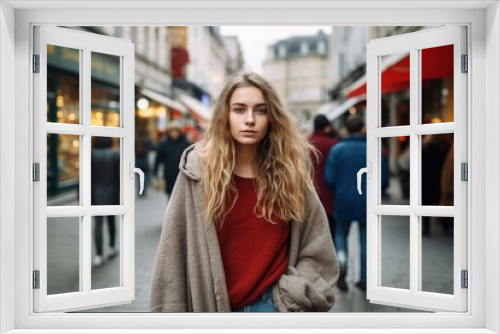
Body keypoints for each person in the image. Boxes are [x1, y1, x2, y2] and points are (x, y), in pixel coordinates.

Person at [150, 72, 339, 312]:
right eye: (239, 110)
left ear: (272, 117)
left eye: (260, 110)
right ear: (225, 115)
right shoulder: (198, 170)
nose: (250, 119)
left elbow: (318, 243)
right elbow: (172, 249)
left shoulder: (290, 173)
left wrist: (293, 293)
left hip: (274, 308)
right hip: (211, 309)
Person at [324, 114, 388, 292]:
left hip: (343, 199)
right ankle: (365, 278)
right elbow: (383, 179)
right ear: (362, 129)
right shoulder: (374, 149)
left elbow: (329, 179)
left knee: (341, 235)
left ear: (347, 129)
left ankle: (342, 264)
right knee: (365, 240)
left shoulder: (337, 150)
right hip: (367, 201)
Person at [308, 114, 339, 243]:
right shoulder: (334, 144)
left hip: (310, 191)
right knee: (331, 231)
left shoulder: (306, 142)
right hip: (331, 193)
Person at [91, 136, 120, 266]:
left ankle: (98, 254)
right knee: (111, 221)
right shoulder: (115, 155)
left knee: (98, 223)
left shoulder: (90, 155)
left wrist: (80, 195)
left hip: (95, 193)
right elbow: (119, 176)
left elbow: (84, 177)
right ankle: (112, 246)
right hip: (112, 193)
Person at [154, 122, 191, 199]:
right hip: (169, 174)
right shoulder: (164, 144)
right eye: (172, 131)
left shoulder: (185, 143)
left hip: (182, 174)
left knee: (182, 197)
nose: (174, 133)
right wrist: (156, 172)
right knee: (170, 196)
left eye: (176, 131)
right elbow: (158, 159)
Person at [135, 125, 155, 196]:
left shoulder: (135, 139)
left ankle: (139, 189)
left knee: (138, 176)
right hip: (145, 159)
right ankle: (143, 189)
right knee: (145, 175)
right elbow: (153, 147)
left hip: (137, 159)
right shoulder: (147, 139)